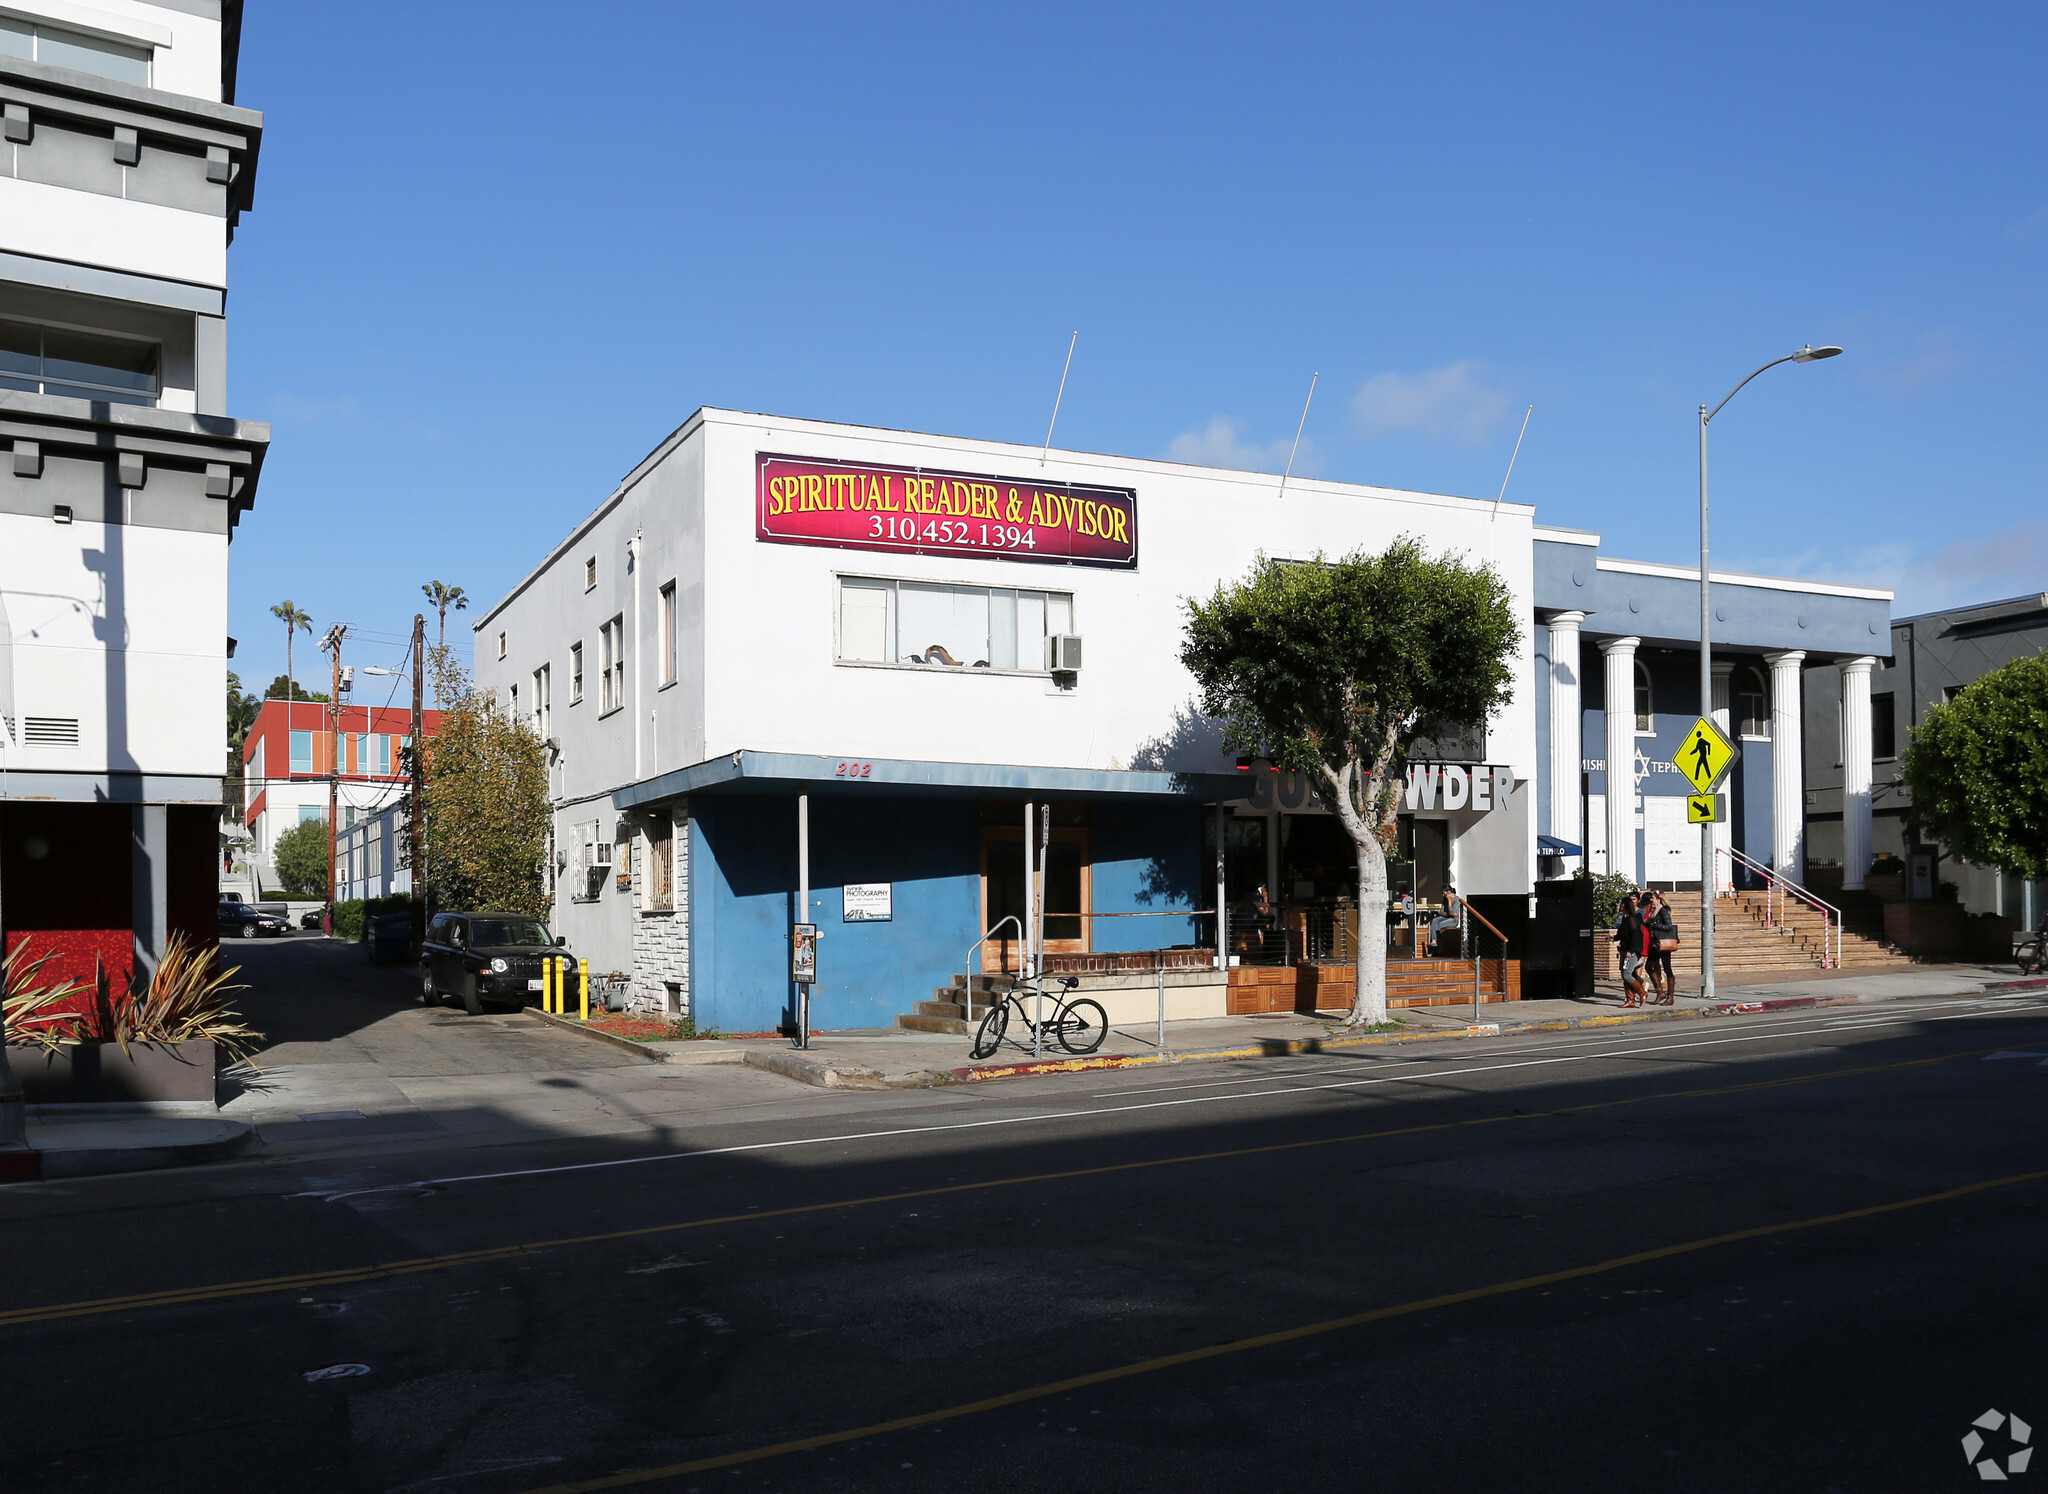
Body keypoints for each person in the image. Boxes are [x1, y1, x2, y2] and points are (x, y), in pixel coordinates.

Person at [1641, 889, 1679, 1004]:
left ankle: (1670, 996)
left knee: (1667, 969)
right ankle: (1660, 992)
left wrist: (1655, 925)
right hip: (1655, 944)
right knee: (1649, 966)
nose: (1650, 900)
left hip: (1663, 943)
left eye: (1652, 898)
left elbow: (1668, 926)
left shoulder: (1663, 910)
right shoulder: (1654, 911)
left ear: (1658, 899)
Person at [1614, 893, 1652, 1007]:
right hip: (1624, 950)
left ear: (1625, 905)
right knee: (1625, 974)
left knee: (1627, 974)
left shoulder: (1632, 919)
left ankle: (1642, 993)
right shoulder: (1625, 919)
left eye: (1621, 904)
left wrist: (1631, 951)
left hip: (1632, 951)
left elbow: (1636, 936)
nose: (1620, 906)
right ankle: (1630, 1000)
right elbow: (1622, 934)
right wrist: (1614, 938)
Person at [1429, 885, 1462, 956]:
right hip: (1446, 917)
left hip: (1453, 920)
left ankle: (1436, 949)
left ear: (1448, 892)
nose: (1443, 895)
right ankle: (1434, 941)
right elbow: (1441, 912)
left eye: (1444, 893)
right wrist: (1450, 914)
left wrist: (1449, 901)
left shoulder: (1457, 900)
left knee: (1439, 925)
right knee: (1435, 920)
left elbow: (1452, 912)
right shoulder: (1444, 899)